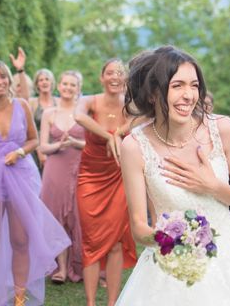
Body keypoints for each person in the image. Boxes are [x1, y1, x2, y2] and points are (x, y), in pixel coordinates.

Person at [116, 46, 230, 305]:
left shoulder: (222, 129)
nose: (189, 95)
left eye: (194, 85)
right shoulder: (134, 146)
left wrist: (211, 186)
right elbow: (139, 226)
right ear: (152, 93)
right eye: (177, 86)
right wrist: (173, 241)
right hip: (171, 265)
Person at [0, 60, 70, 306]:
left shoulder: (22, 106)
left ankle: (19, 297)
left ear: (9, 79)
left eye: (3, 76)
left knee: (20, 240)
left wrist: (19, 152)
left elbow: (34, 140)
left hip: (21, 176)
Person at [75, 59, 137, 306]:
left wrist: (120, 133)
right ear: (101, 78)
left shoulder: (132, 106)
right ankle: (90, 303)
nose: (115, 77)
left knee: (115, 244)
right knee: (90, 242)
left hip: (119, 178)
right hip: (90, 178)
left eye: (120, 73)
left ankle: (112, 303)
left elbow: (144, 118)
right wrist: (108, 136)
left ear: (126, 79)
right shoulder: (90, 101)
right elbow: (77, 116)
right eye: (110, 73)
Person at [40, 70, 86, 284]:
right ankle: (60, 267)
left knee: (77, 216)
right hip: (55, 169)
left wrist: (76, 143)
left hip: (78, 168)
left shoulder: (84, 113)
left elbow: (93, 145)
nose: (68, 88)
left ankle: (77, 264)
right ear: (59, 85)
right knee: (55, 216)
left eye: (72, 85)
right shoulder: (49, 113)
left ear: (79, 89)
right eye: (65, 84)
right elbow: (43, 146)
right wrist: (58, 145)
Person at [28, 69, 58, 170]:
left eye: (47, 79)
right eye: (41, 80)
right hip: (37, 149)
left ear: (52, 82)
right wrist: (39, 150)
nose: (44, 82)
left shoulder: (59, 102)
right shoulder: (32, 102)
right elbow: (29, 129)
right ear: (37, 84)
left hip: (57, 147)